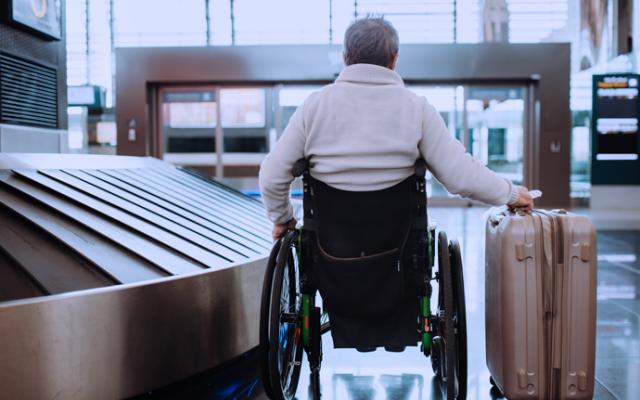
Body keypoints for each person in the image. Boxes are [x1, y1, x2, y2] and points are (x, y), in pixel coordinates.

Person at [259, 17, 533, 240]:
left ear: (345, 57)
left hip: (329, 257)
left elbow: (272, 175)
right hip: (398, 258)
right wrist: (509, 192)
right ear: (394, 59)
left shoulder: (314, 106)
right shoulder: (418, 109)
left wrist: (283, 218)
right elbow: (460, 175)